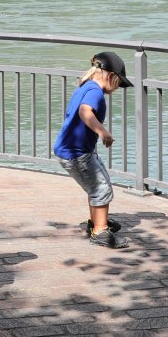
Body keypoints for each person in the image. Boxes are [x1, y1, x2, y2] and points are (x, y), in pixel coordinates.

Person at [54, 51, 129, 248]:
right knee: (101, 188)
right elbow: (84, 112)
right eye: (119, 83)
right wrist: (103, 132)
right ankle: (100, 232)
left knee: (98, 184)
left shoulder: (86, 86)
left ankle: (97, 222)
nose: (118, 88)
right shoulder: (95, 92)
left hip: (77, 150)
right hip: (76, 153)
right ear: (110, 76)